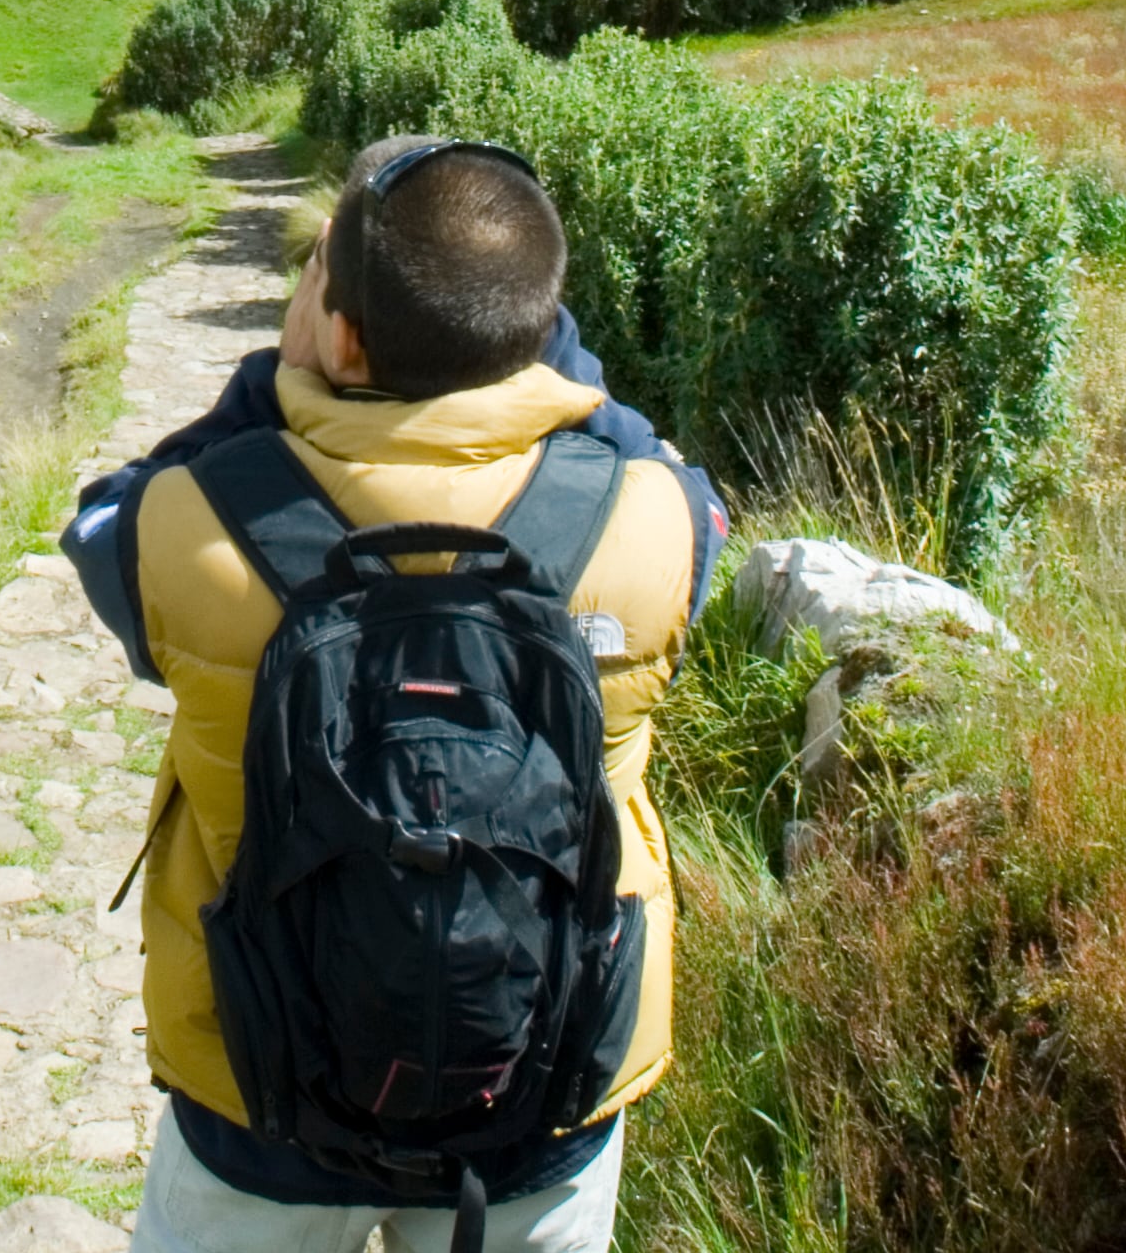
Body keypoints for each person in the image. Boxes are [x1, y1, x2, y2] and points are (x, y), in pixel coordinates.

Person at [70, 136, 718, 1253]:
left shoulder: (192, 524)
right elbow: (646, 453)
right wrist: (540, 354)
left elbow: (101, 520)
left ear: (338, 328)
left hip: (258, 1084)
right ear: (535, 335)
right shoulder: (652, 516)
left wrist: (265, 379)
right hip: (540, 1079)